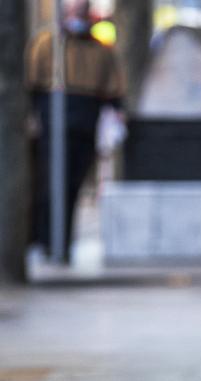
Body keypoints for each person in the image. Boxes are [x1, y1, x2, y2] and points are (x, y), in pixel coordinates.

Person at [26, 0, 125, 264]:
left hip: (84, 122)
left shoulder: (99, 50)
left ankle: (62, 243)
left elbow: (113, 91)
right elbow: (33, 85)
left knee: (71, 185)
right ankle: (45, 241)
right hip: (53, 121)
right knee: (49, 184)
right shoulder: (48, 43)